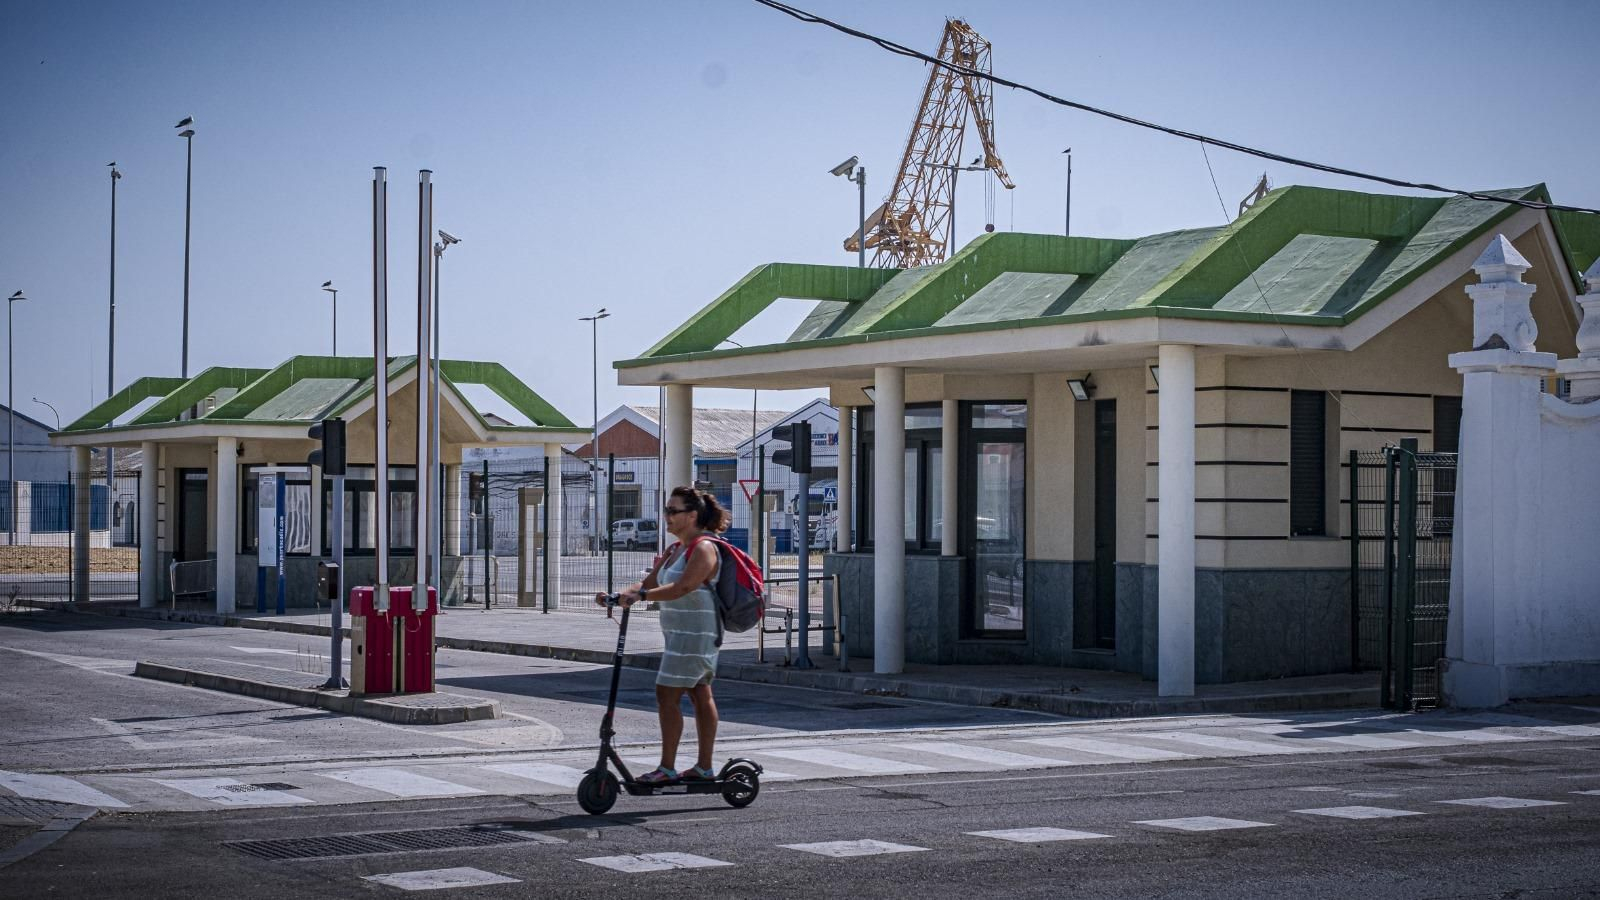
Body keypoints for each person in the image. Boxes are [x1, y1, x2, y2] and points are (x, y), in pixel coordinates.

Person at [596, 485, 726, 784]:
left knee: (666, 693)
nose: (666, 516)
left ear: (692, 515)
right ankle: (703, 769)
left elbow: (683, 587)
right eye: (667, 510)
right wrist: (617, 595)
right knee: (699, 693)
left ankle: (667, 769)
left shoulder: (704, 548)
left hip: (697, 634)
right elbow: (648, 584)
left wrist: (641, 597)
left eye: (672, 511)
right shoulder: (674, 550)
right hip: (678, 633)